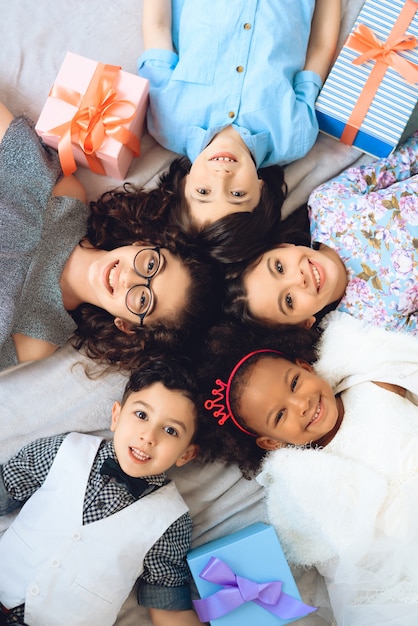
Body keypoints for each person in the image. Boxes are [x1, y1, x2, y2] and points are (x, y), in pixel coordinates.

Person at [196, 316, 418, 624]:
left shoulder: (370, 383)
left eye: (295, 383)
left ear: (305, 366)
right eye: (280, 414)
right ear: (272, 442)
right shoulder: (303, 479)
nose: (301, 404)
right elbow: (333, 552)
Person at [0, 101, 220, 372]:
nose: (130, 278)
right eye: (151, 265)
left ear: (127, 326)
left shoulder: (39, 335)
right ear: (144, 244)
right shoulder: (64, 199)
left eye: (143, 300)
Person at [0, 356, 205, 626]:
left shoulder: (171, 521)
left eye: (170, 430)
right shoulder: (63, 450)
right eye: (141, 415)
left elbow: (166, 604)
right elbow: (6, 485)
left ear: (186, 454)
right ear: (116, 416)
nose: (148, 436)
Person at [137, 0, 341, 262]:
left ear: (185, 183)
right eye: (237, 195)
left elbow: (157, 26)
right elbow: (321, 47)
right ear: (260, 190)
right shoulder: (293, 136)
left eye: (203, 192)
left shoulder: (167, 120)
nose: (222, 177)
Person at [224, 131, 418, 334]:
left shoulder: (327, 204)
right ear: (304, 323)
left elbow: (402, 163)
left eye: (280, 267)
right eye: (289, 301)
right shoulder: (372, 323)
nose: (298, 279)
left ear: (281, 247)